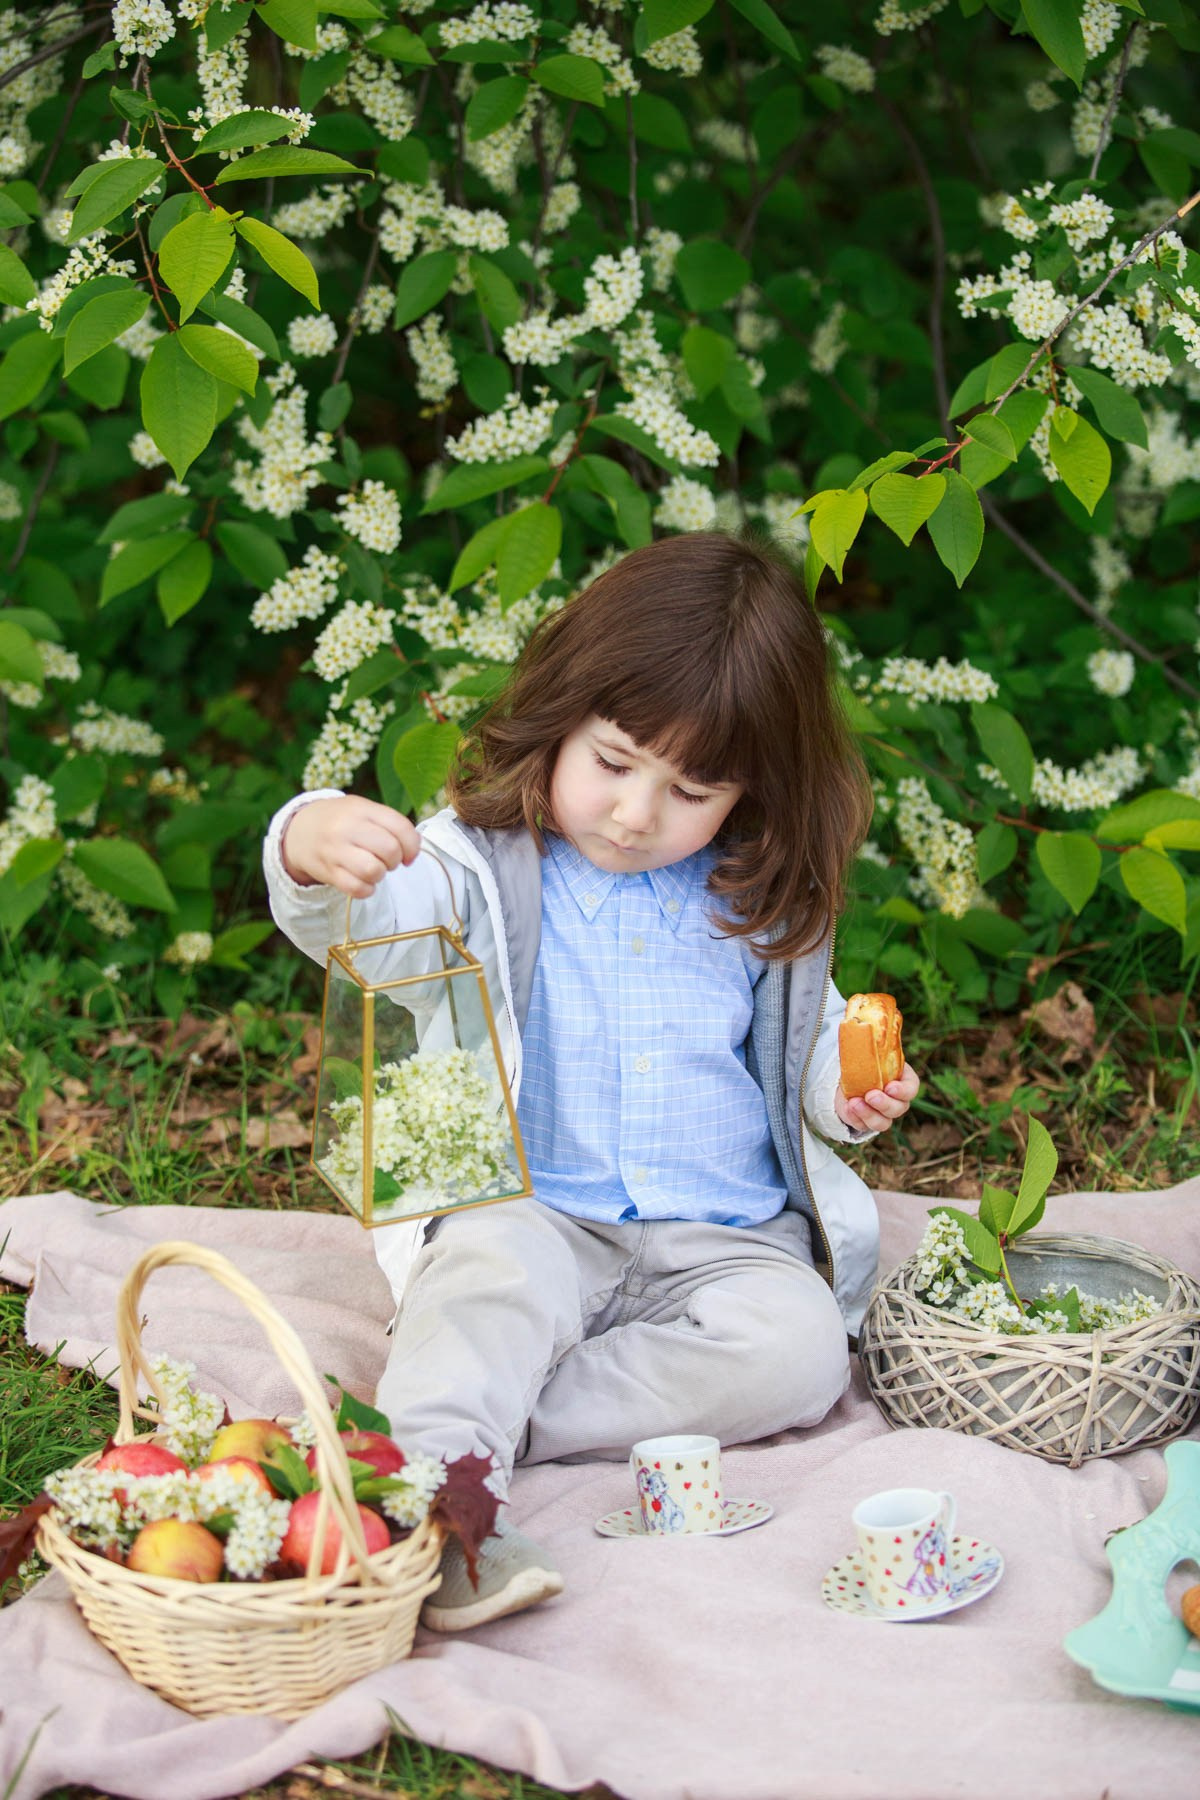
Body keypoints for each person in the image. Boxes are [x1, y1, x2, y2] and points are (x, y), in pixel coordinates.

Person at [263, 529, 920, 1632]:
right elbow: (366, 925)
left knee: (801, 1350)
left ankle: (474, 1417)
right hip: (534, 1207)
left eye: (691, 790)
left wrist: (840, 1095)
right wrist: (310, 843)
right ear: (562, 715)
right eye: (614, 762)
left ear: (753, 792)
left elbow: (795, 1052)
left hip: (721, 1236)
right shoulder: (477, 866)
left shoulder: (756, 901)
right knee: (488, 1274)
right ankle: (433, 1517)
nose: (634, 813)